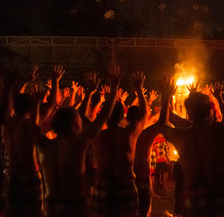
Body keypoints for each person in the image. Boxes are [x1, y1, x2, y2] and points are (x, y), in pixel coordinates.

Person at [158, 62, 224, 217]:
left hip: (194, 200)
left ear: (190, 114)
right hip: (219, 199)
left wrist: (166, 94)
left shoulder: (183, 135)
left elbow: (162, 125)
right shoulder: (219, 131)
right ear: (211, 109)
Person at [37, 66, 122, 217]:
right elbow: (103, 117)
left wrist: (54, 84)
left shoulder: (44, 145)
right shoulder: (78, 144)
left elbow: (32, 123)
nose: (82, 123)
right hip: (76, 207)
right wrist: (114, 87)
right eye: (78, 121)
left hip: (51, 208)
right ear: (74, 125)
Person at [91, 71, 148, 217]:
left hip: (103, 185)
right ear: (123, 115)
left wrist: (92, 92)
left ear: (103, 116)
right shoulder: (129, 133)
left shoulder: (97, 135)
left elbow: (86, 117)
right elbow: (144, 114)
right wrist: (139, 89)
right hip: (125, 184)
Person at [0, 66, 46, 217]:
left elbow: (8, 107)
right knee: (34, 212)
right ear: (31, 108)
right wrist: (38, 101)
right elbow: (51, 105)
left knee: (12, 211)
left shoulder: (9, 123)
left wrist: (10, 85)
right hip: (31, 173)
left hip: (13, 173)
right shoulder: (30, 125)